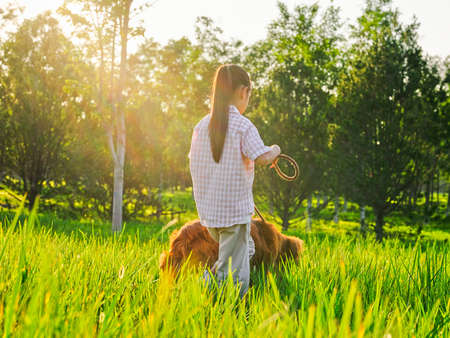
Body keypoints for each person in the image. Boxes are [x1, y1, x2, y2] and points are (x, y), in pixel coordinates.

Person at [188, 64, 281, 298]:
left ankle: (206, 289)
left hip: (210, 215)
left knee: (244, 250)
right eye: (249, 94)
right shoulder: (242, 125)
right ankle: (220, 302)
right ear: (243, 91)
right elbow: (262, 157)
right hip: (233, 215)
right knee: (237, 275)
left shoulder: (201, 126)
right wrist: (275, 149)